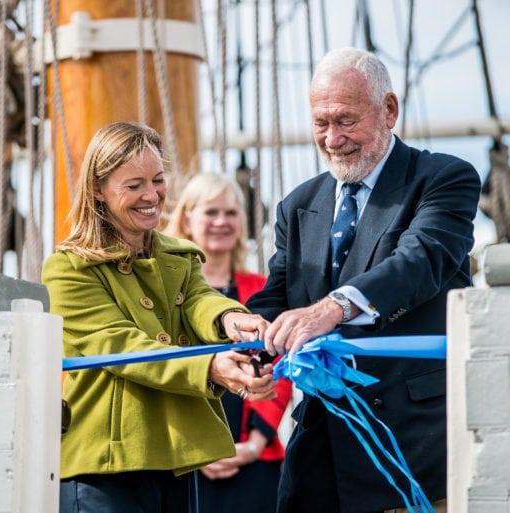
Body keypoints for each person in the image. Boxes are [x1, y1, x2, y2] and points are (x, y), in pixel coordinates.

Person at [246, 48, 481, 513]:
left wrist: (331, 309)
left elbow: (420, 260)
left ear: (389, 110)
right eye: (320, 123)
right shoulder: (297, 205)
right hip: (321, 460)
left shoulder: (443, 179)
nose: (332, 138)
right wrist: (243, 336)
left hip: (416, 452)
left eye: (345, 120)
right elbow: (275, 296)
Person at [42, 122, 274, 513]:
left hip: (175, 458)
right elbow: (120, 345)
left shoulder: (178, 256)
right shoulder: (67, 269)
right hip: (104, 467)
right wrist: (210, 367)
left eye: (158, 180)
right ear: (98, 189)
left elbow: (201, 301)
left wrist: (232, 319)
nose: (152, 196)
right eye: (134, 186)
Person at [165, 173, 293, 513]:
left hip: (254, 458)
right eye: (211, 212)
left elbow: (281, 368)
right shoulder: (166, 296)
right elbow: (160, 366)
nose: (222, 222)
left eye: (231, 213)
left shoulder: (263, 289)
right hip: (181, 461)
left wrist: (253, 445)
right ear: (187, 220)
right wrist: (194, 447)